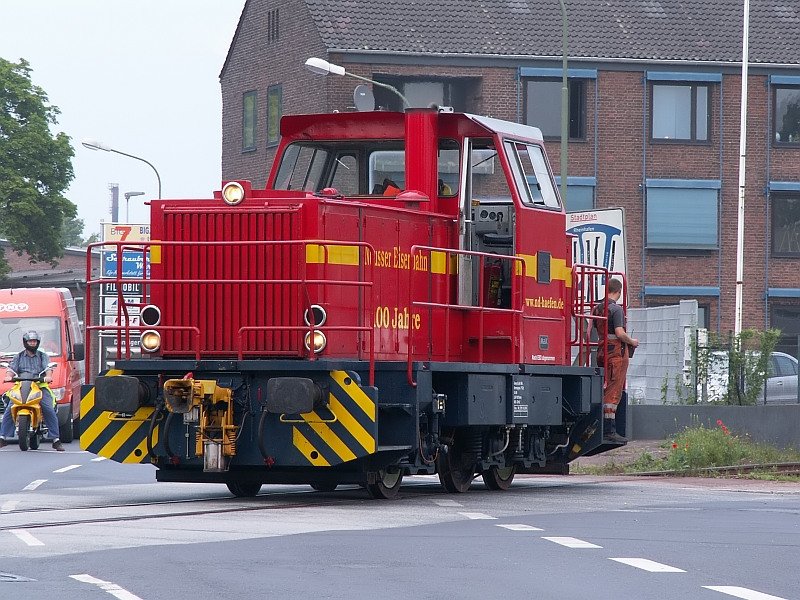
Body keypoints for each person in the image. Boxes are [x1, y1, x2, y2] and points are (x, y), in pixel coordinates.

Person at [0, 331, 64, 451]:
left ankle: (55, 439)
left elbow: (48, 368)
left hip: (39, 386)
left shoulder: (42, 356)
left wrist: (48, 376)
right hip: (21, 385)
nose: (33, 343)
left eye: (35, 341)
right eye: (30, 341)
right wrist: (8, 376)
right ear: (25, 342)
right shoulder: (18, 356)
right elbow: (11, 369)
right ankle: (3, 437)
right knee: (10, 406)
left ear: (38, 343)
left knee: (48, 408)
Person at [593, 278, 638, 443]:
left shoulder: (597, 308)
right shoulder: (616, 310)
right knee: (613, 392)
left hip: (602, 351)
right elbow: (619, 333)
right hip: (616, 355)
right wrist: (632, 341)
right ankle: (609, 430)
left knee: (606, 388)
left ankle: (604, 427)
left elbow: (588, 330)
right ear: (618, 291)